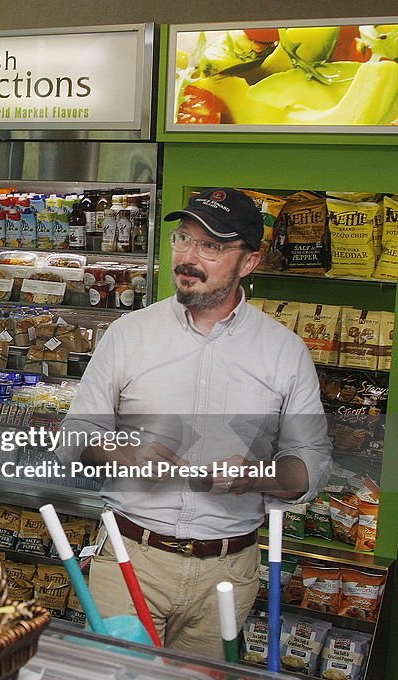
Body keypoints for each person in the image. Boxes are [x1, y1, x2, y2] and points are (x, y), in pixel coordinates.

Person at [58, 188, 331, 658]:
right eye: (183, 239)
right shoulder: (129, 334)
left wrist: (257, 476)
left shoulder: (285, 352)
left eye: (211, 246)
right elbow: (75, 437)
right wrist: (125, 455)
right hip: (131, 559)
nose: (188, 257)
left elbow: (311, 466)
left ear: (248, 262)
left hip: (229, 570)